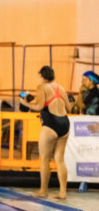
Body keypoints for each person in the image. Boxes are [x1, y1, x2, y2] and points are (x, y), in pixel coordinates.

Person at [20, 65, 71, 200]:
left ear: (42, 76)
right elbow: (69, 107)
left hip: (50, 124)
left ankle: (43, 191)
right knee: (60, 159)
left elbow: (39, 106)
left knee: (45, 159)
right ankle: (62, 192)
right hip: (64, 123)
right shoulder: (61, 88)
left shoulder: (42, 87)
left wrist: (24, 103)